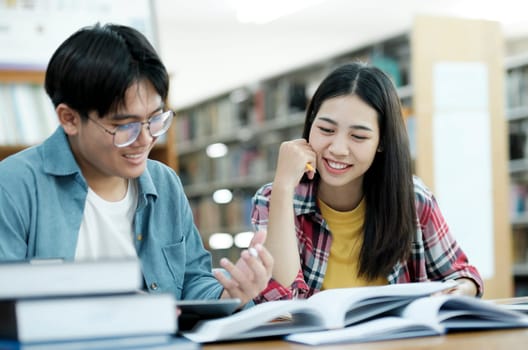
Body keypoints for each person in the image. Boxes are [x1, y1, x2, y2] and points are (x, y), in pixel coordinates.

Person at [0, 23, 272, 307]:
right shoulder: (14, 185)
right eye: (124, 126)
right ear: (69, 118)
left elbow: (192, 280)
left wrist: (230, 294)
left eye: (156, 120)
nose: (144, 140)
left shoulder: (163, 183)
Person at [250, 62, 482, 302]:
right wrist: (283, 187)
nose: (338, 149)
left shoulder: (413, 198)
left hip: (400, 340)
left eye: (358, 136)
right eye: (326, 130)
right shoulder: (273, 199)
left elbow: (463, 275)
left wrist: (458, 290)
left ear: (381, 141)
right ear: (310, 126)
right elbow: (278, 305)